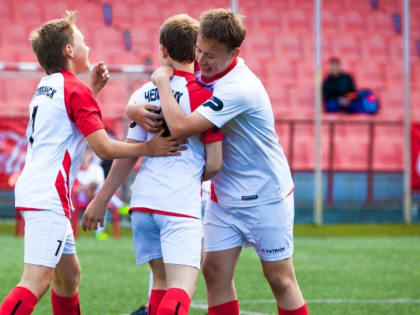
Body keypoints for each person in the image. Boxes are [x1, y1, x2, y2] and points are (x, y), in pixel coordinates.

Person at [0, 11, 186, 315]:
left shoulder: (48, 85)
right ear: (69, 51)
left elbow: (66, 124)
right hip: (49, 195)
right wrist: (149, 147)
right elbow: (103, 149)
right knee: (37, 281)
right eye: (81, 41)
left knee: (68, 277)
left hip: (36, 188)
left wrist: (93, 91)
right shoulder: (74, 90)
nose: (87, 46)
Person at [127, 8, 309, 315]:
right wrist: (133, 109)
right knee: (214, 273)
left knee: (279, 279)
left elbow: (182, 126)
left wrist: (160, 83)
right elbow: (154, 98)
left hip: (265, 196)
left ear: (234, 52)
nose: (202, 60)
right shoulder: (202, 70)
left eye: (211, 55)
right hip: (222, 196)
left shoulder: (239, 88)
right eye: (199, 50)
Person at [82, 14, 223, 315]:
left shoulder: (142, 93)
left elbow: (129, 153)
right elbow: (215, 162)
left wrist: (101, 198)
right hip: (178, 202)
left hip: (143, 201)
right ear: (197, 51)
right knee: (181, 287)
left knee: (159, 282)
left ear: (162, 50)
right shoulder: (206, 95)